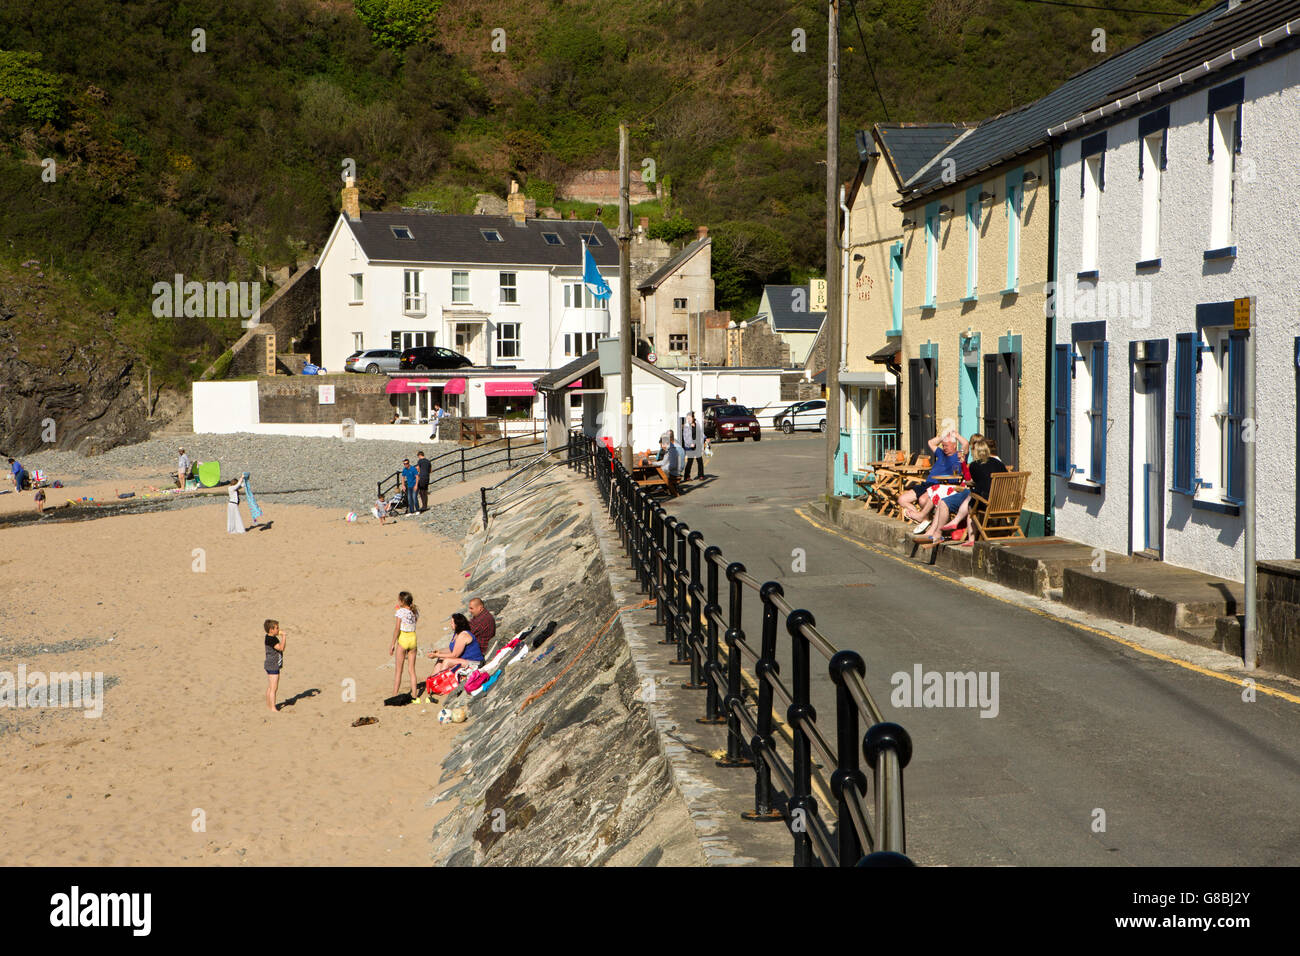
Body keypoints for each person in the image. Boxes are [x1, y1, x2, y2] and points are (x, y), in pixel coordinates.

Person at [898, 430, 966, 526]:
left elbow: (966, 444)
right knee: (902, 499)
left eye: (946, 445)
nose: (944, 447)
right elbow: (931, 442)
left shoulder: (959, 456)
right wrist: (942, 436)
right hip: (927, 483)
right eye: (943, 445)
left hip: (940, 485)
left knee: (922, 500)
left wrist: (957, 435)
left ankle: (924, 519)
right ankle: (922, 519)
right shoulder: (941, 453)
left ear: (954, 445)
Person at [427, 612, 486, 677]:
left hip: (475, 662)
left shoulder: (463, 635)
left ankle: (441, 680)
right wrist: (439, 652)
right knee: (441, 658)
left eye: (452, 623)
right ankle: (433, 678)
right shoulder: (457, 633)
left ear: (457, 624)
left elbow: (454, 655)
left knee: (447, 661)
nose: (451, 624)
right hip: (465, 660)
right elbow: (451, 649)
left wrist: (436, 655)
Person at [390, 591, 422, 700]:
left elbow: (397, 628)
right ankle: (414, 694)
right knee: (411, 669)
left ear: (402, 601)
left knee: (399, 670)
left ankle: (394, 694)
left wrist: (392, 643)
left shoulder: (400, 612)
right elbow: (412, 620)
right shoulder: (415, 611)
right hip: (413, 639)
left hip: (403, 638)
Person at [652, 431, 685, 498]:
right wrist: (653, 463)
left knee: (653, 476)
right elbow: (664, 462)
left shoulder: (674, 449)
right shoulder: (673, 447)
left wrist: (661, 468)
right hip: (676, 469)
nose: (662, 447)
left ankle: (666, 489)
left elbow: (672, 465)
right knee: (656, 473)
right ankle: (666, 489)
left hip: (675, 471)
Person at [264, 619, 285, 713]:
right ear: (271, 630)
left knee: (270, 686)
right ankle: (273, 707)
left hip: (270, 664)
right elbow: (281, 648)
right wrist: (284, 637)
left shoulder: (270, 637)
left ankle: (269, 705)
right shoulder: (271, 639)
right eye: (276, 628)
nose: (278, 630)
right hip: (272, 665)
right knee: (274, 688)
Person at [681, 412, 705, 481]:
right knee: (690, 461)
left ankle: (701, 475)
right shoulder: (686, 426)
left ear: (693, 418)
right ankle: (686, 476)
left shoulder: (697, 423)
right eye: (687, 418)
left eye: (689, 418)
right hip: (690, 446)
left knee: (699, 460)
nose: (688, 419)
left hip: (697, 444)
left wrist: (705, 438)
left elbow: (700, 432)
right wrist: (690, 444)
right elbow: (685, 437)